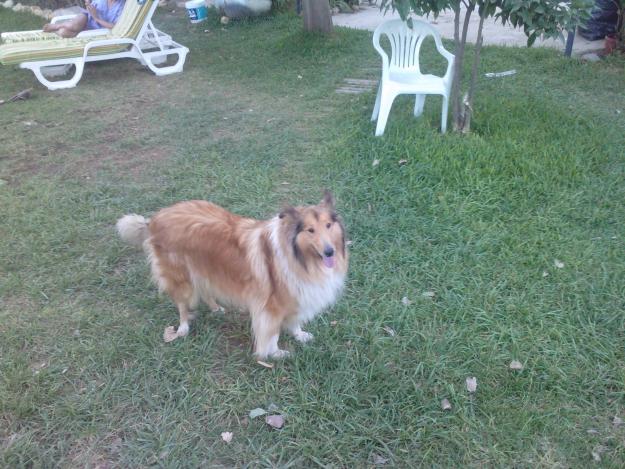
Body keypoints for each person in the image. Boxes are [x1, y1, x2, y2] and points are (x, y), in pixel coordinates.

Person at [42, 0, 126, 38]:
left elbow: (114, 26)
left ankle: (56, 31)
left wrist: (97, 18)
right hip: (86, 18)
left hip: (98, 29)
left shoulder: (122, 6)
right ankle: (57, 26)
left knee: (64, 32)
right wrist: (88, 4)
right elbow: (90, 6)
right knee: (73, 24)